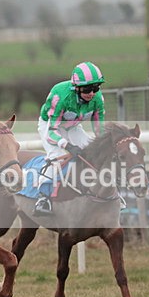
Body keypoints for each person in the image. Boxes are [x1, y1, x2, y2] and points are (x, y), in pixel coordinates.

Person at [33, 61, 106, 216]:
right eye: (87, 88)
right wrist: (67, 145)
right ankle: (43, 198)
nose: (92, 93)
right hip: (50, 126)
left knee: (94, 152)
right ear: (76, 87)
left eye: (96, 88)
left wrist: (105, 144)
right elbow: (52, 132)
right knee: (58, 158)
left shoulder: (98, 99)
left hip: (72, 127)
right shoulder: (61, 96)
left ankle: (104, 192)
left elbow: (100, 130)